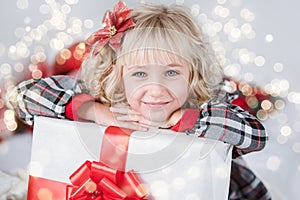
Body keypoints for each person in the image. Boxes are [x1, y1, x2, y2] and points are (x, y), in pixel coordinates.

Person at [7, 1, 271, 199]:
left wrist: (190, 120)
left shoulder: (205, 109)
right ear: (119, 76)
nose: (155, 89)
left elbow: (255, 136)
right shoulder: (106, 99)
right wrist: (94, 111)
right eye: (140, 73)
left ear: (193, 75)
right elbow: (21, 97)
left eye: (171, 72)